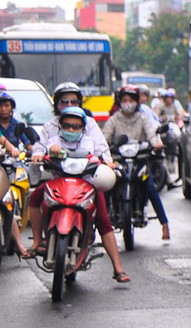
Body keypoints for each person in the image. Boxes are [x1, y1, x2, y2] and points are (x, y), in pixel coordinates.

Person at [27, 105, 130, 283]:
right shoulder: (52, 141)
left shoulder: (89, 142)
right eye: (66, 125)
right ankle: (38, 241)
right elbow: (41, 149)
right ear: (60, 126)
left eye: (76, 126)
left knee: (104, 220)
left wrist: (107, 163)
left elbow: (101, 155)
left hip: (87, 186)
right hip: (58, 184)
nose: (71, 130)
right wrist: (40, 155)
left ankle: (118, 268)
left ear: (83, 127)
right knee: (35, 197)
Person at [102, 86, 170, 241]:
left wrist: (156, 143)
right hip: (118, 161)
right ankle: (101, 222)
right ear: (120, 102)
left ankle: (164, 224)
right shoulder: (114, 119)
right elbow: (105, 137)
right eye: (124, 100)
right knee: (105, 185)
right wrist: (103, 147)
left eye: (131, 100)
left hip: (139, 160)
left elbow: (151, 135)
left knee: (151, 188)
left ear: (137, 102)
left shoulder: (142, 118)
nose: (128, 103)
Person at [0, 90, 30, 256]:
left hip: (14, 164)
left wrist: (35, 150)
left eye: (6, 105)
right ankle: (19, 244)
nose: (3, 109)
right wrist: (8, 147)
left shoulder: (18, 124)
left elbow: (28, 142)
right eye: (1, 105)